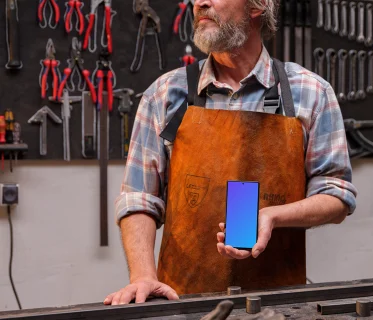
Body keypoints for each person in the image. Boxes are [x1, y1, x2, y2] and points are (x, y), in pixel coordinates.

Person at [104, 0, 357, 306]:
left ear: (257, 6)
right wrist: (143, 277)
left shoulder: (310, 92)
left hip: (280, 306)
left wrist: (273, 216)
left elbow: (337, 194)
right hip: (183, 303)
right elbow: (139, 198)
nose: (200, 3)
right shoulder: (164, 94)